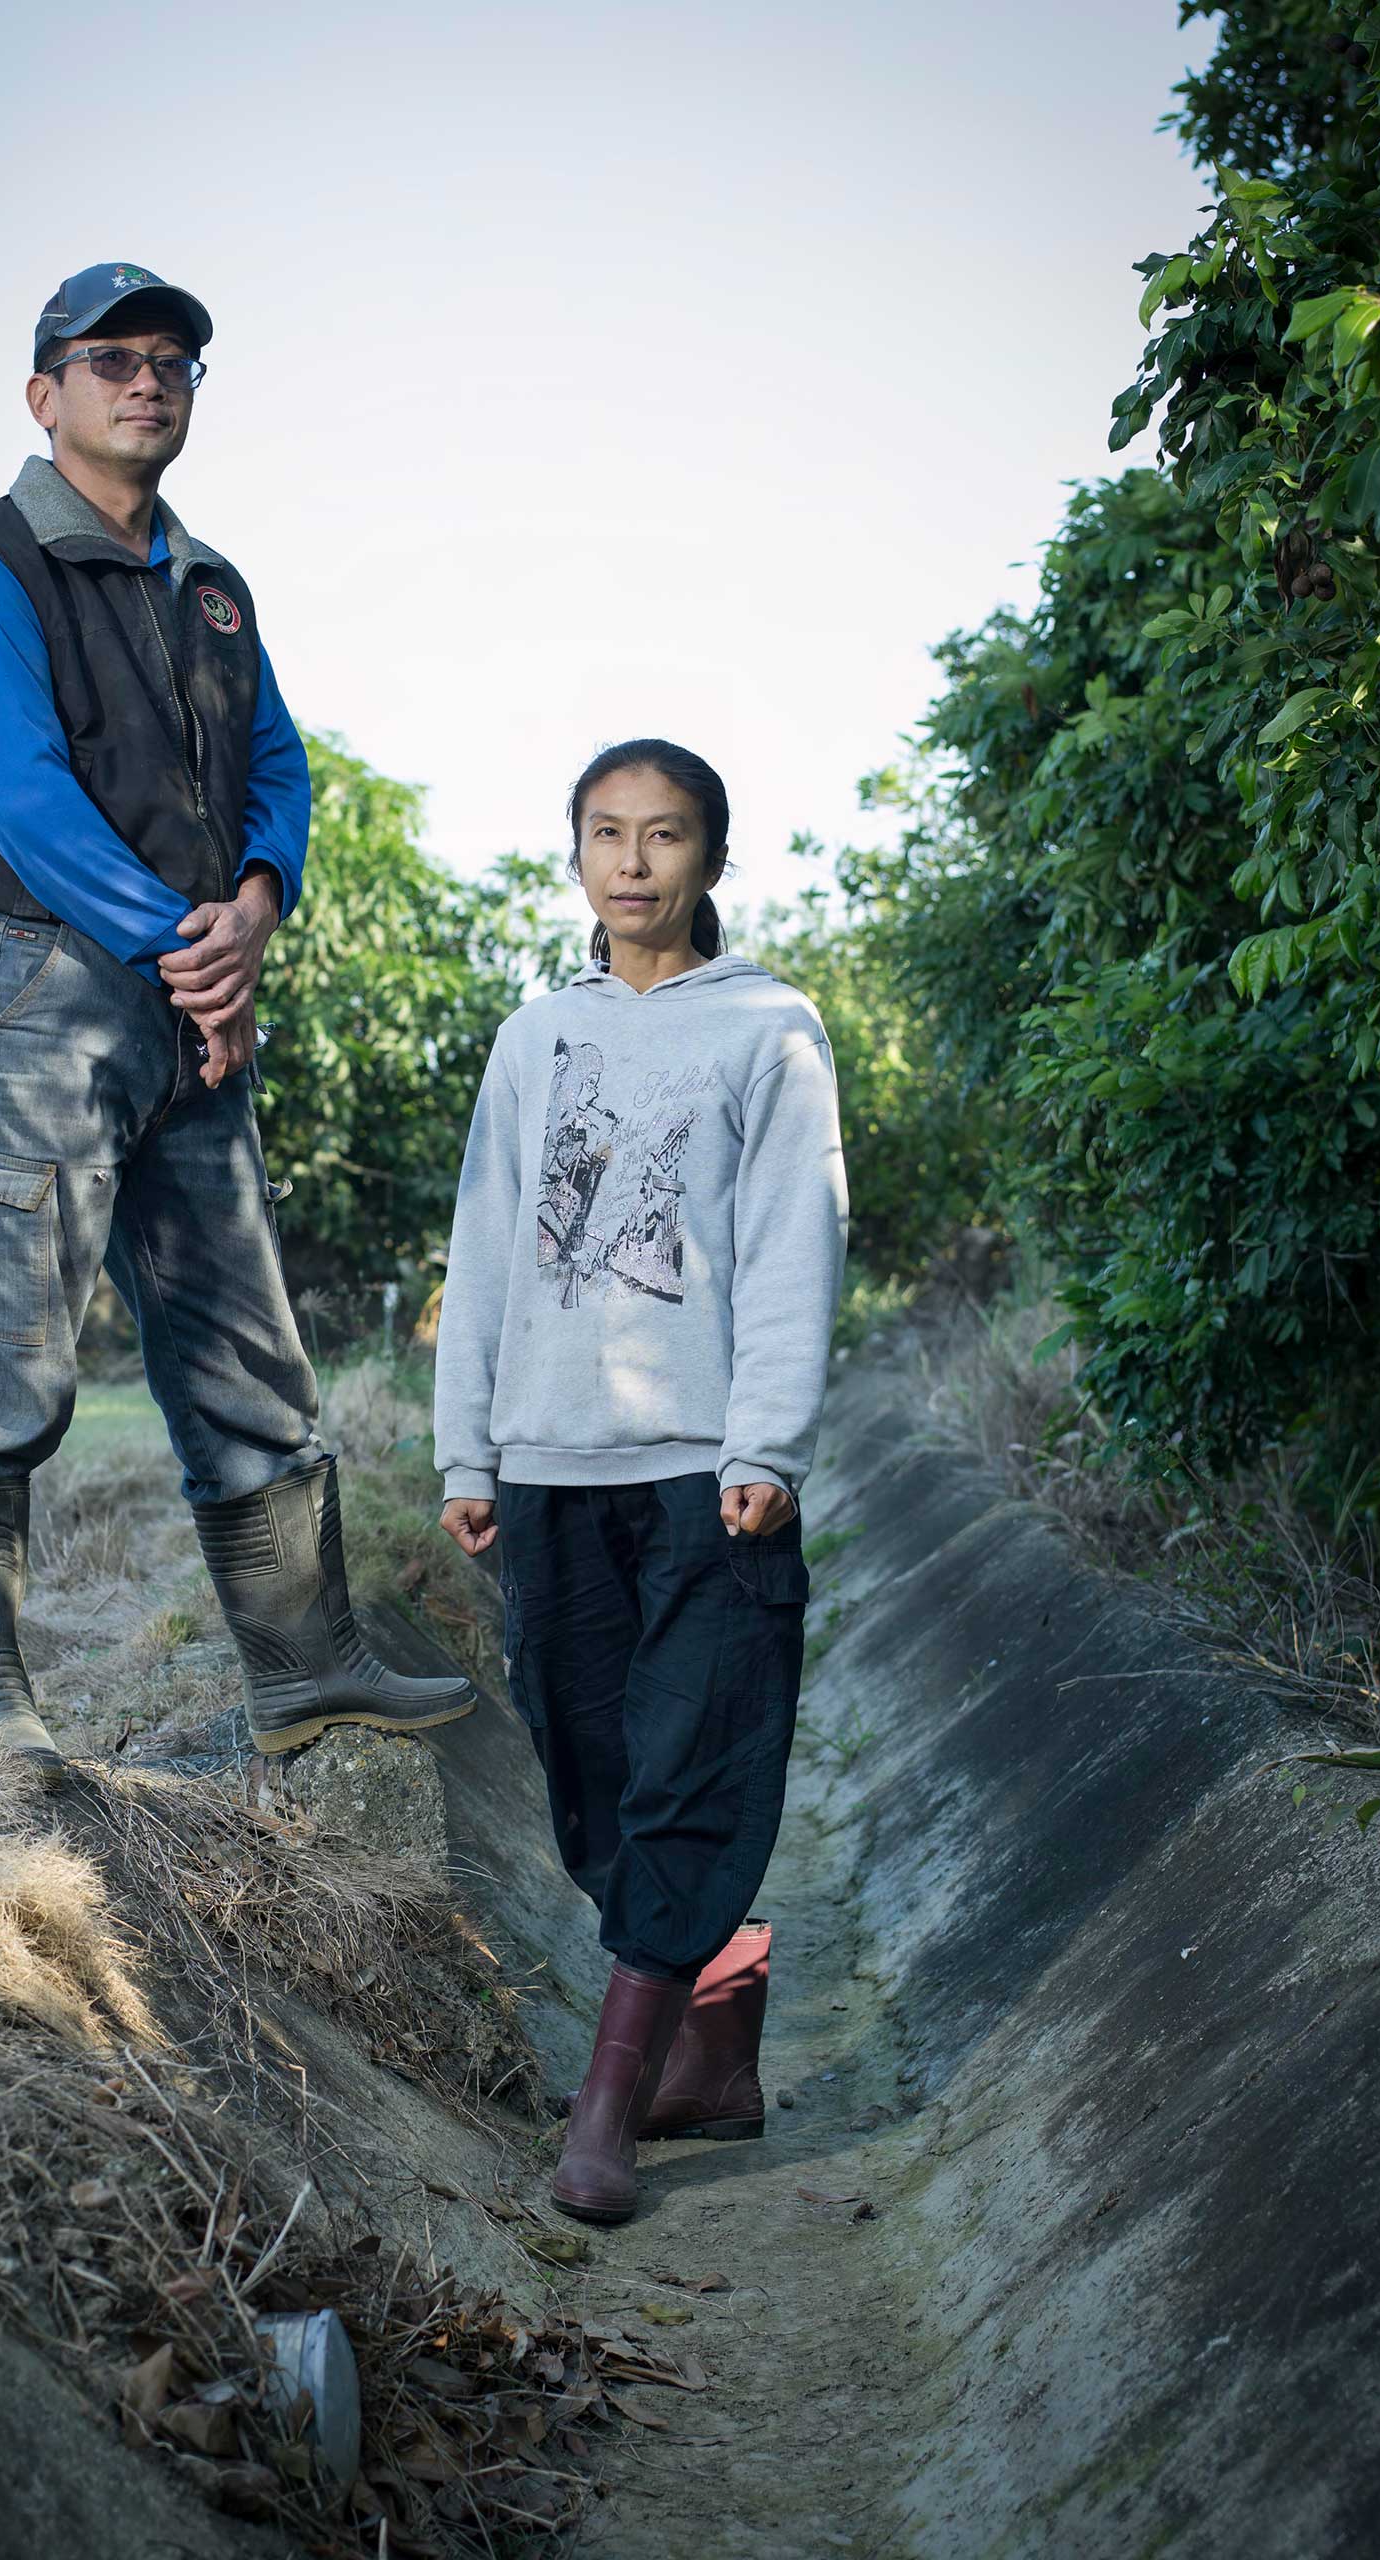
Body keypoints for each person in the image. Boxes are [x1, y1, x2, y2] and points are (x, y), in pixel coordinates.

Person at [0, 261, 474, 1784]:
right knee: (9, 1350)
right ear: (47, 393)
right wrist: (191, 946)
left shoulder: (209, 585)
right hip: (51, 994)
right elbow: (23, 799)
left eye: (173, 362)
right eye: (112, 359)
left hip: (189, 1008)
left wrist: (259, 910)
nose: (147, 380)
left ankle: (308, 1668)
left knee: (248, 1350)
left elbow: (280, 766)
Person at [435, 740, 848, 2223]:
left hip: (701, 1468)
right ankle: (712, 2041)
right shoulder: (534, 1036)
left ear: (711, 861)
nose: (633, 863)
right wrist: (465, 1447)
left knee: (691, 1757)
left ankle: (604, 2114)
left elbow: (798, 1244)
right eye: (606, 834)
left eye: (664, 836)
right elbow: (483, 1248)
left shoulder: (769, 1031)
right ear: (576, 858)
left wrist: (768, 1444)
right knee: (588, 1757)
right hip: (548, 1461)